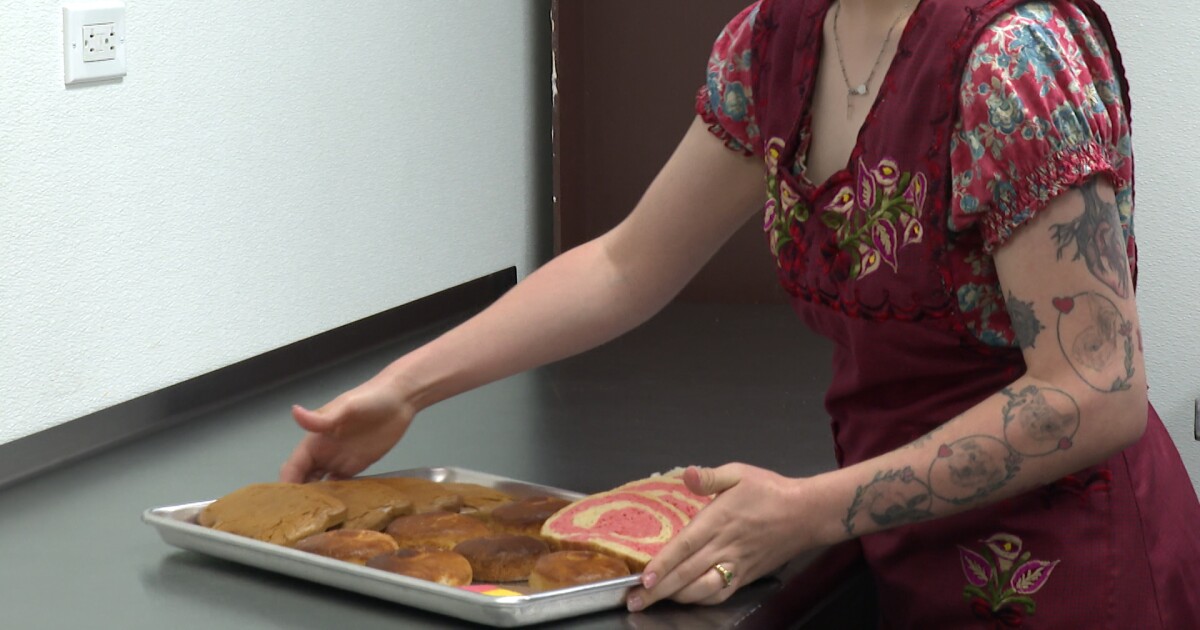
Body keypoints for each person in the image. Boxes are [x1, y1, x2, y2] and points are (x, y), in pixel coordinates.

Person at [280, 0, 1200, 625]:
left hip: (1072, 567)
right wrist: (406, 388)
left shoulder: (1015, 60)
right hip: (895, 539)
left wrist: (809, 511)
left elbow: (1094, 390)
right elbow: (625, 264)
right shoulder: (775, 41)